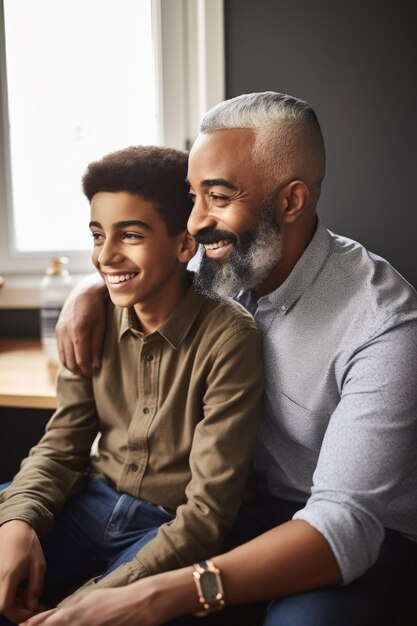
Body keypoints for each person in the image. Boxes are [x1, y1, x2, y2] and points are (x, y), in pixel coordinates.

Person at [21, 91, 417, 626]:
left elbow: (344, 521)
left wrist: (156, 596)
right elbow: (142, 259)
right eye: (192, 196)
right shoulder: (224, 258)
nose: (195, 221)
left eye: (219, 196)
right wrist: (89, 292)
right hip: (233, 507)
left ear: (291, 202)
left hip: (348, 534)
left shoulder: (383, 325)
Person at [0, 146, 264, 625]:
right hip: (93, 499)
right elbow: (62, 445)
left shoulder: (230, 338)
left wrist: (96, 598)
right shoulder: (91, 317)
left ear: (185, 245)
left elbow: (206, 514)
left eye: (131, 235)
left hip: (172, 526)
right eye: (98, 235)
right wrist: (18, 520)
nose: (105, 255)